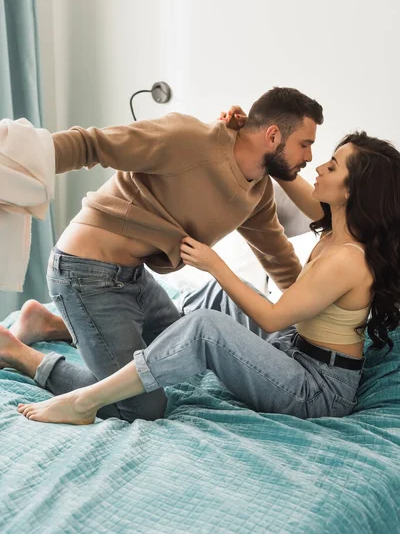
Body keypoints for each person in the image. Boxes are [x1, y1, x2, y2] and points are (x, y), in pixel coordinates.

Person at [11, 131, 400, 424]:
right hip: (296, 349)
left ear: (352, 191)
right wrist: (244, 138)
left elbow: (272, 317)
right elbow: (283, 171)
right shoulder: (336, 228)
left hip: (316, 390)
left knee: (205, 328)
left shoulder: (348, 259)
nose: (317, 166)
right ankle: (67, 328)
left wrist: (215, 263)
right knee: (227, 294)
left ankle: (81, 399)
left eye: (332, 165)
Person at [0, 88, 324, 422]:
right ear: (273, 135)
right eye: (306, 144)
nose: (310, 157)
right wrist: (22, 160)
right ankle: (19, 353)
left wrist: (320, 315)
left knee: (186, 359)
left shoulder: (258, 191)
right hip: (85, 273)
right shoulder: (187, 139)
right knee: (140, 406)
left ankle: (49, 324)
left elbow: (279, 259)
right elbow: (92, 144)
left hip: (134, 279)